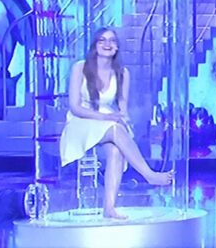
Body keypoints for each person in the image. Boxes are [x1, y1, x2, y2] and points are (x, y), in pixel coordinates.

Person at [59, 27, 174, 219]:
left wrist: (124, 120)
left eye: (112, 40)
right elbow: (75, 107)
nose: (107, 44)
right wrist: (106, 118)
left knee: (115, 151)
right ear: (95, 45)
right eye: (102, 40)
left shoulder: (122, 73)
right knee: (114, 128)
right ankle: (149, 174)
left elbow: (122, 108)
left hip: (109, 120)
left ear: (117, 46)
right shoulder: (80, 67)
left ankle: (109, 208)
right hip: (82, 121)